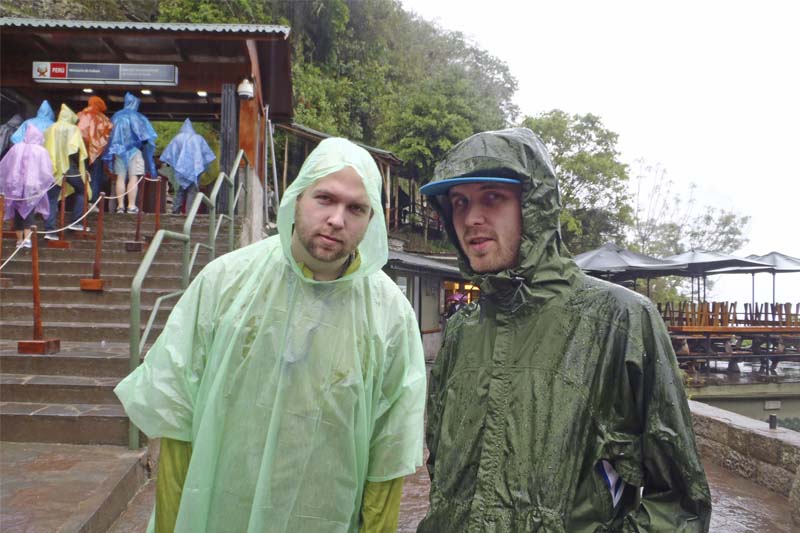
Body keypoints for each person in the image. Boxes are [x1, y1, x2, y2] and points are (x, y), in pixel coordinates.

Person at [114, 138, 426, 532]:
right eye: (325, 198)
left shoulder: (390, 316)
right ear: (297, 198)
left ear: (371, 219)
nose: (336, 219)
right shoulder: (226, 283)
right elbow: (178, 421)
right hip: (223, 511)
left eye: (356, 208)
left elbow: (389, 452)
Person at [417, 128, 711, 532]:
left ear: (534, 205)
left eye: (492, 197)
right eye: (460, 202)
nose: (472, 218)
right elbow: (441, 470)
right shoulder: (462, 330)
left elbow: (680, 502)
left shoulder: (619, 320)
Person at [0, 124, 53, 248]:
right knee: (28, 210)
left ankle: (19, 240)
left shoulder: (16, 148)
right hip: (33, 185)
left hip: (14, 184)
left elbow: (6, 164)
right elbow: (46, 170)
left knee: (17, 210)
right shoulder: (41, 151)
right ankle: (27, 238)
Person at [105, 92, 157, 214]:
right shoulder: (138, 117)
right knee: (133, 177)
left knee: (120, 177)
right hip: (134, 151)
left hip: (118, 150)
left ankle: (120, 206)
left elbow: (110, 135)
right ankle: (131, 206)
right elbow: (145, 137)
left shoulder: (116, 116)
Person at [43, 103, 90, 236]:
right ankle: (76, 221)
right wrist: (81, 167)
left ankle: (49, 230)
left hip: (52, 167)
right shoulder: (73, 129)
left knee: (51, 199)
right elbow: (76, 150)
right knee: (82, 191)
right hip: (70, 167)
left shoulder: (50, 128)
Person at [159, 119, 215, 215]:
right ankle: (190, 213)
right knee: (192, 191)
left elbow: (170, 153)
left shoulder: (178, 138)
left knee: (180, 190)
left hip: (180, 170)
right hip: (195, 169)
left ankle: (175, 211)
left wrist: (175, 164)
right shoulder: (199, 138)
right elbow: (207, 154)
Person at [77, 96, 114, 203]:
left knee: (80, 175)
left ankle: (79, 200)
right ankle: (92, 201)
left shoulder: (80, 115)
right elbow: (108, 135)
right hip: (97, 153)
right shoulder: (104, 119)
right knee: (95, 177)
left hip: (82, 151)